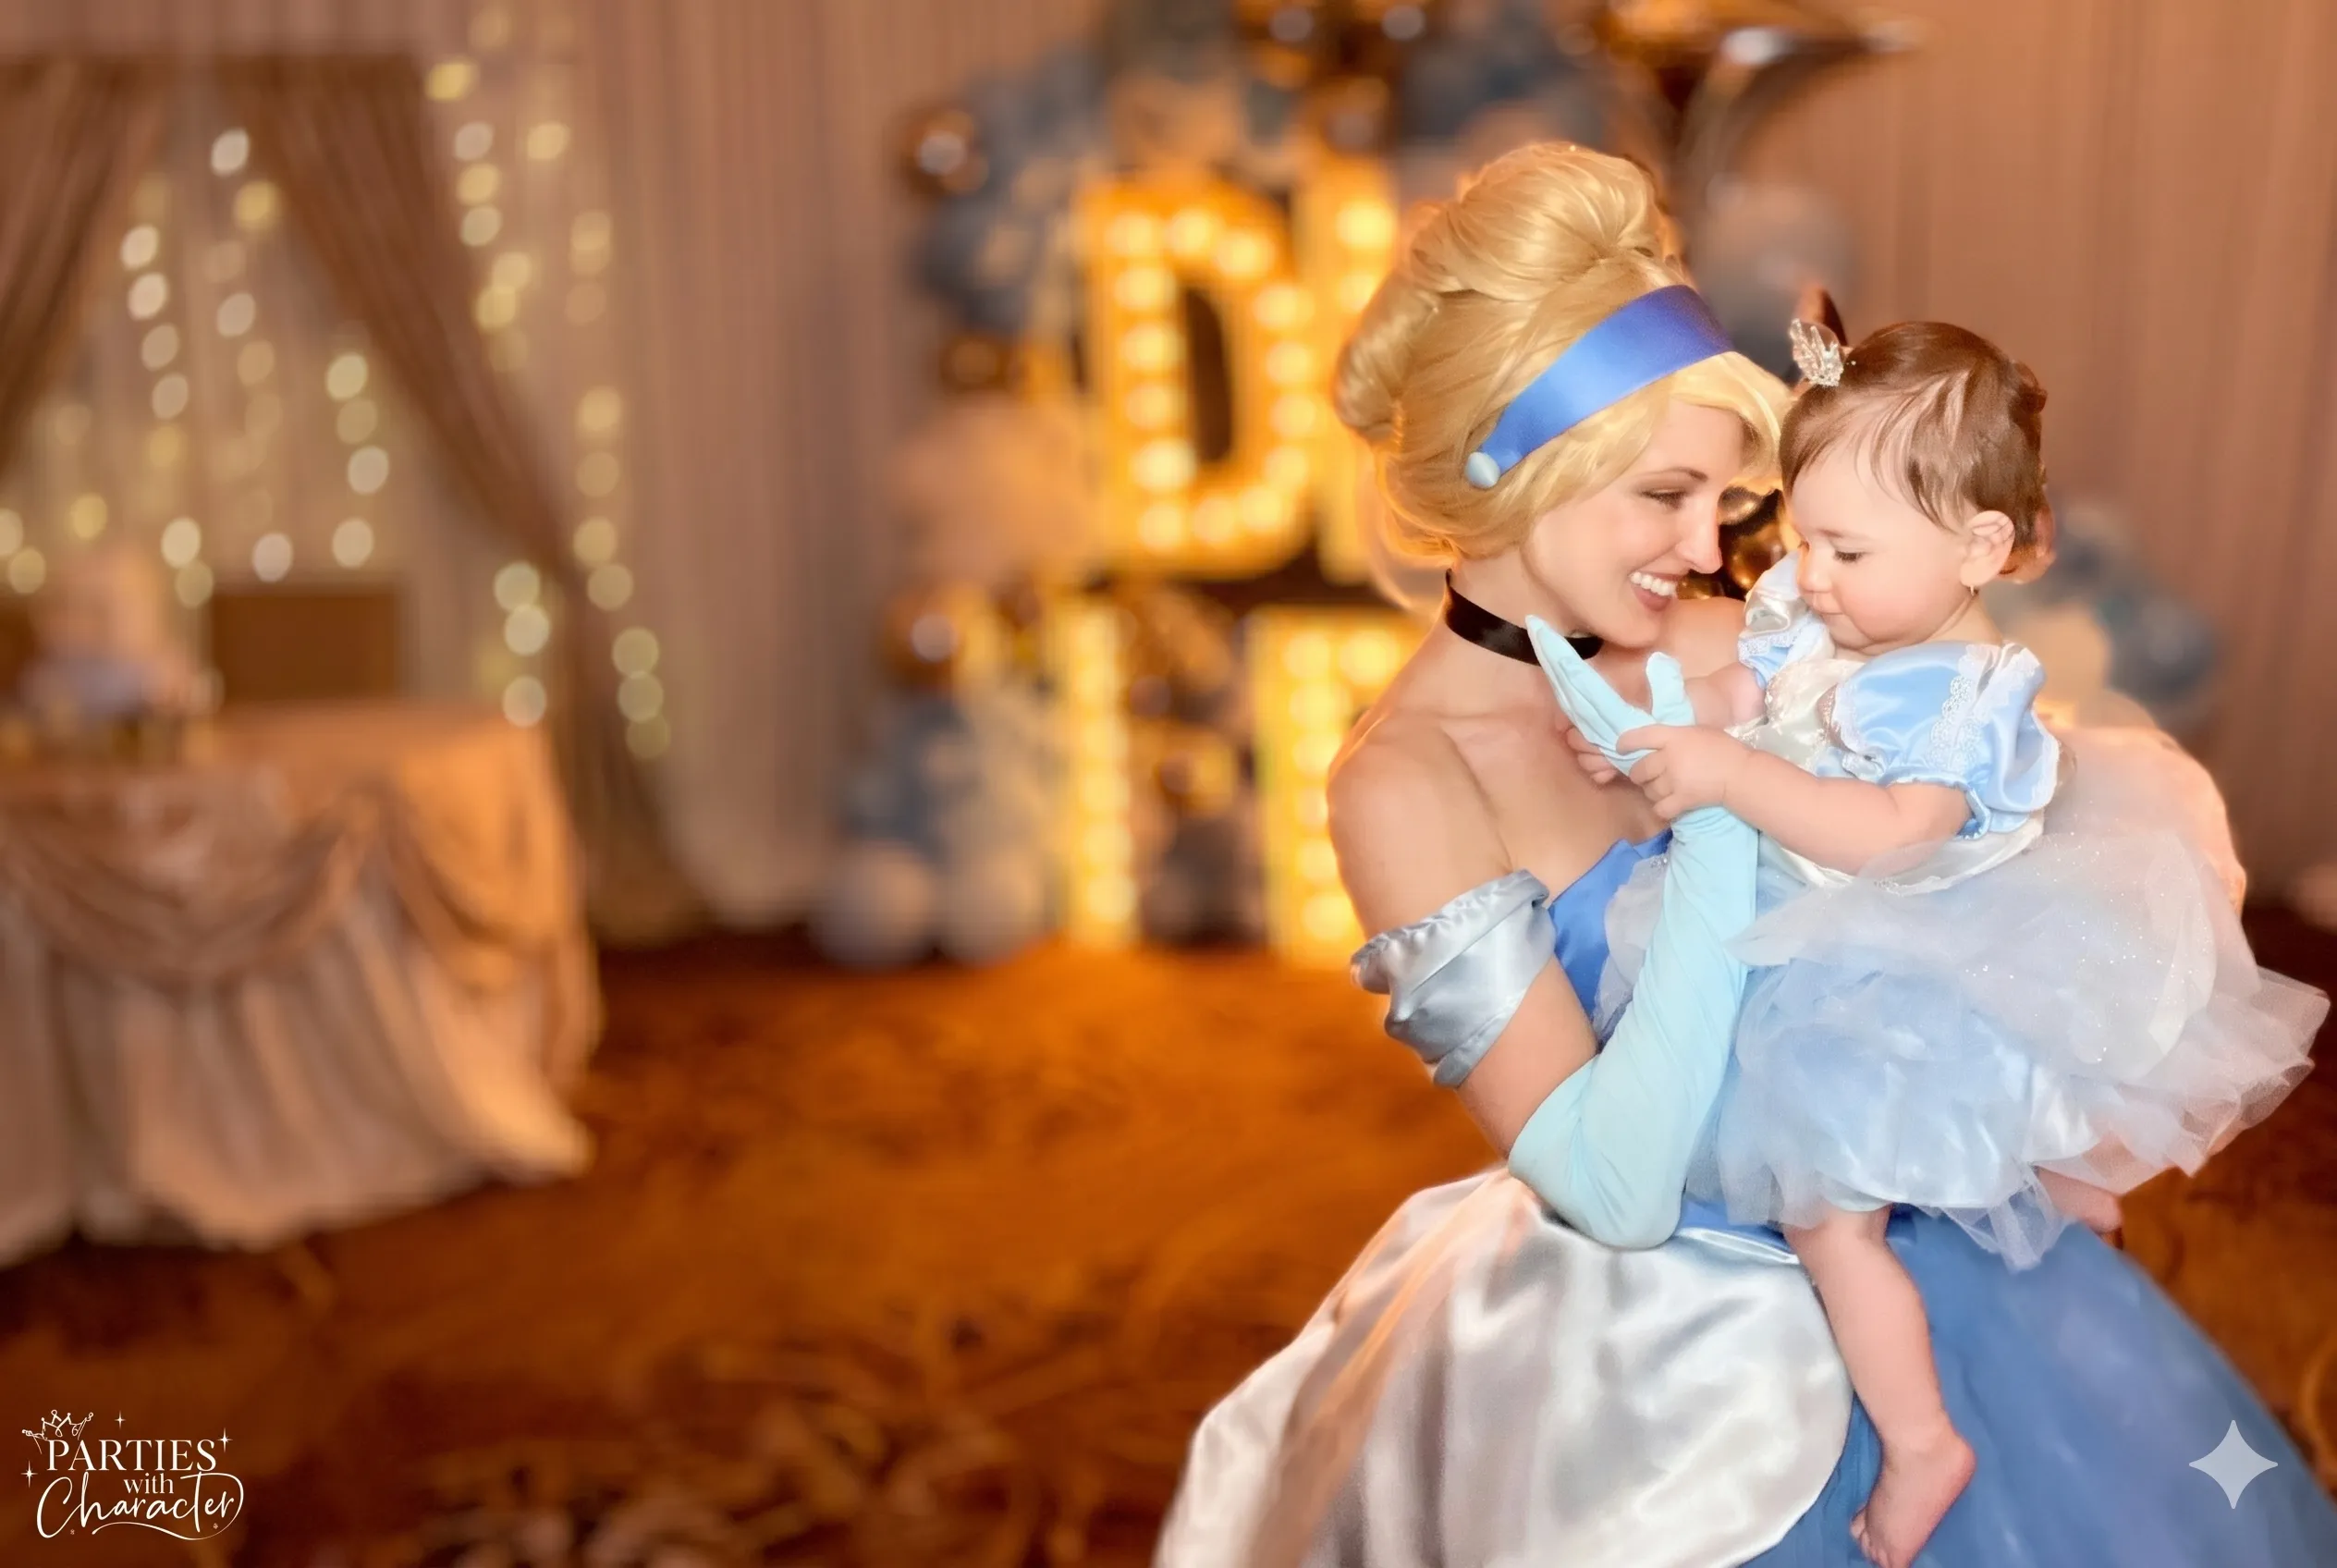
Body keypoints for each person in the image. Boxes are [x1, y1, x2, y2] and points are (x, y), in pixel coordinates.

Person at [1152, 141, 2337, 1567]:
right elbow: (1614, 1181)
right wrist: (1724, 825)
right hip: (1665, 1368)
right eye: (1666, 499)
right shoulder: (1407, 785)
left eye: (1724, 500)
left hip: (1915, 1222)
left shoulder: (1726, 640)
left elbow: (1995, 783)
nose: (1713, 548)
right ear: (1514, 468)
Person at [1565, 318, 2325, 1566]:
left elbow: (1885, 838)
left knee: (1832, 1215)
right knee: (1940, 1122)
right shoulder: (1830, 616)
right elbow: (1754, 698)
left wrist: (1723, 781)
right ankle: (2052, 1185)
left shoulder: (1959, 691)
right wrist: (1667, 729)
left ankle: (1921, 1441)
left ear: (1978, 546)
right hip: (1835, 909)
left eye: (1847, 549)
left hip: (1911, 930)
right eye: (1804, 537)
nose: (1810, 574)